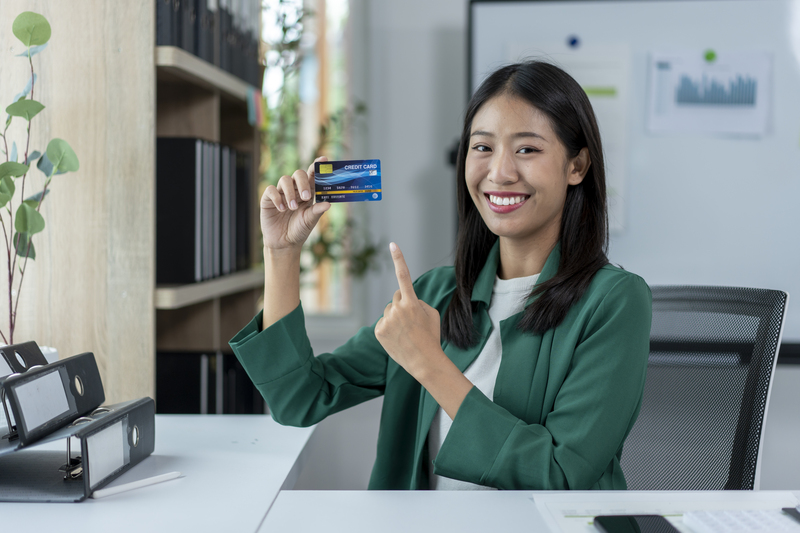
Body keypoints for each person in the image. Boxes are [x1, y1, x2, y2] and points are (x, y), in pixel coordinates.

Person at [229, 60, 652, 491]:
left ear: (577, 166)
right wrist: (281, 253)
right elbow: (299, 397)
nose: (500, 172)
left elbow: (561, 476)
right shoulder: (435, 293)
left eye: (527, 149)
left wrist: (429, 363)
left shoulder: (616, 301)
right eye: (482, 147)